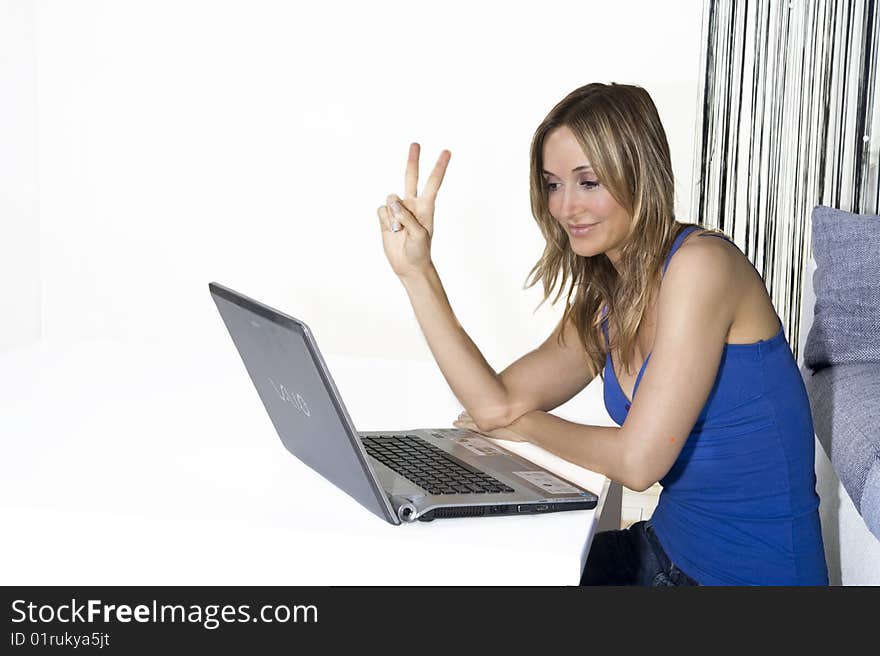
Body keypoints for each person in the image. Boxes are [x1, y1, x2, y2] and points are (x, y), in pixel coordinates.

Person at [374, 82, 828, 586]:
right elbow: (492, 405)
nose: (567, 207)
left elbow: (637, 464)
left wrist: (527, 425)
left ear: (640, 173)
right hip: (664, 555)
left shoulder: (703, 267)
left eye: (588, 182)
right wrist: (417, 272)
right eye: (552, 184)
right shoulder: (607, 301)